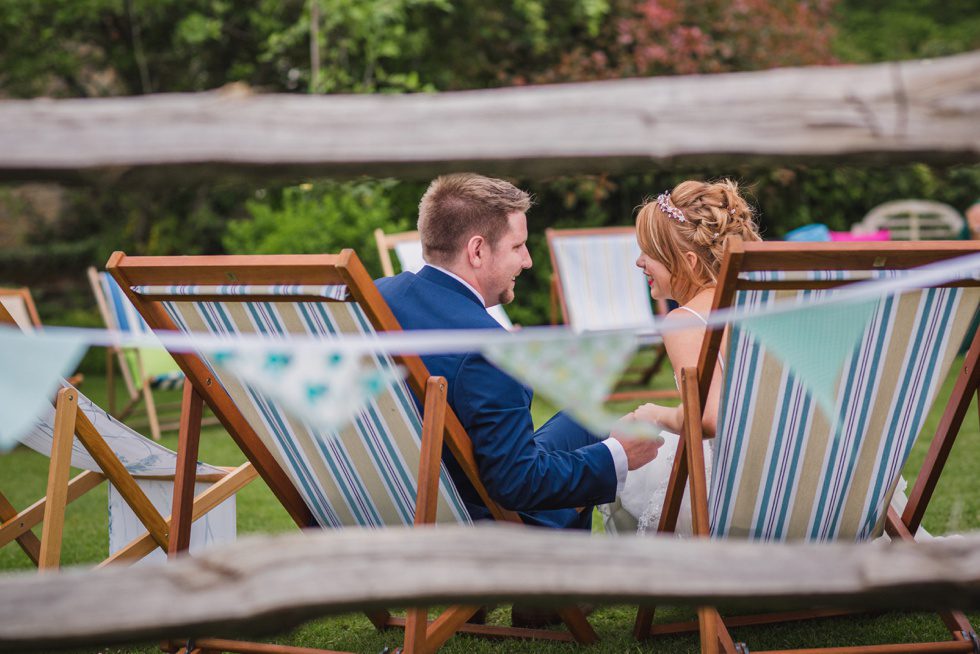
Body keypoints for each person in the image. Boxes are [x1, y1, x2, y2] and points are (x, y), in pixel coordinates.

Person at [374, 173, 664, 532]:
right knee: (601, 447)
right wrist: (618, 456)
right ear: (477, 251)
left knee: (589, 418)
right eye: (517, 247)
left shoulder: (376, 299)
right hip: (476, 521)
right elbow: (518, 483)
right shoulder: (491, 352)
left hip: (390, 498)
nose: (527, 261)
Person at [605, 179, 761, 535]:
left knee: (624, 466)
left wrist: (654, 413)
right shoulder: (769, 303)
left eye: (649, 253)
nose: (638, 261)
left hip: (738, 489)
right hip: (814, 478)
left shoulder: (685, 322)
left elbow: (710, 420)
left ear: (688, 262)